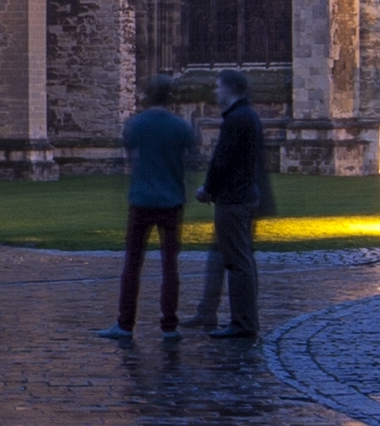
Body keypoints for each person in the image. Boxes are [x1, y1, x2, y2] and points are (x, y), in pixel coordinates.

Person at [110, 77, 201, 335]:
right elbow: (191, 163)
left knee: (132, 263)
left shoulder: (135, 125)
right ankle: (169, 324)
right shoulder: (181, 127)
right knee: (169, 265)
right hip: (172, 201)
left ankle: (125, 323)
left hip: (141, 200)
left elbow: (130, 157)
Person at [197, 71, 276, 339]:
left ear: (230, 88)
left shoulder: (237, 118)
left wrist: (208, 189)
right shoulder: (248, 116)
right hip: (244, 196)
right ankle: (241, 319)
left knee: (237, 262)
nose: (215, 92)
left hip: (234, 199)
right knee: (240, 260)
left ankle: (243, 322)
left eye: (218, 87)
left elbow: (222, 160)